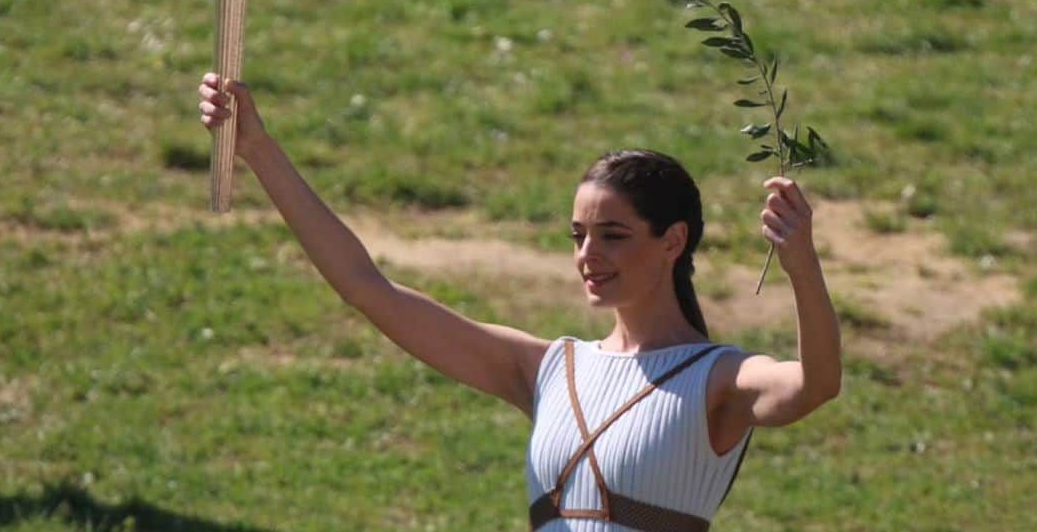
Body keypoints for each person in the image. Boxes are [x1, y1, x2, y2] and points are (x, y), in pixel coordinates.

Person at [197, 72, 842, 531]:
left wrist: (801, 267)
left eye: (613, 236)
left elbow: (816, 384)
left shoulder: (717, 379)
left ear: (672, 241)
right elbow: (368, 290)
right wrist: (257, 149)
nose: (589, 255)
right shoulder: (549, 370)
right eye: (579, 235)